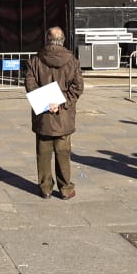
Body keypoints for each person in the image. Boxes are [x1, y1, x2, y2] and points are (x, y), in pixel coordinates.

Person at [25, 27, 84, 199]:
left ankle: (45, 189)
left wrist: (47, 102)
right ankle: (65, 189)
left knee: (43, 154)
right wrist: (61, 101)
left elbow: (30, 85)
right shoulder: (72, 60)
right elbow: (78, 87)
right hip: (63, 116)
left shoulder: (35, 60)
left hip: (43, 116)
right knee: (63, 153)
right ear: (63, 40)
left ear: (47, 39)